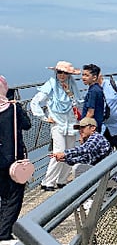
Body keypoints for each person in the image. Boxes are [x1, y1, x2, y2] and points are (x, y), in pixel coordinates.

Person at [30, 60, 81, 191]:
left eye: (65, 73)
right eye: (59, 72)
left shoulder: (71, 84)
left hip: (71, 122)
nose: (62, 75)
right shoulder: (51, 85)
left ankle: (62, 180)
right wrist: (44, 117)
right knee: (59, 152)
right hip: (57, 123)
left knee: (69, 151)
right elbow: (35, 101)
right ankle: (48, 182)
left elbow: (75, 101)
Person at [0, 76, 32, 245]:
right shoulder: (13, 108)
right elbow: (27, 125)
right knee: (13, 197)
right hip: (12, 160)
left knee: (4, 195)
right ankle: (4, 234)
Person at [81, 64, 106, 130]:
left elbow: (90, 112)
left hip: (91, 127)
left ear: (94, 77)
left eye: (86, 75)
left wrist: (83, 127)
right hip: (97, 125)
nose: (83, 78)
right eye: (83, 75)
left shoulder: (93, 91)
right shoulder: (98, 88)